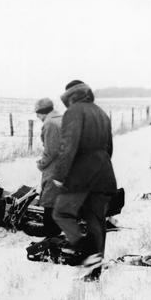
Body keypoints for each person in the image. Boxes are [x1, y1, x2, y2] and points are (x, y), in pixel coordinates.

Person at [52, 80, 117, 280]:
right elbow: (109, 149)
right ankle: (94, 270)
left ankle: (85, 249)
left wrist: (60, 175)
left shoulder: (74, 112)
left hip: (81, 174)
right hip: (104, 173)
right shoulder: (101, 113)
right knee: (96, 221)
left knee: (61, 212)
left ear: (70, 96)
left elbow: (68, 146)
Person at [34, 97, 63, 236]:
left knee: (49, 202)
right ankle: (57, 231)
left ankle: (51, 236)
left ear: (42, 112)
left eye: (37, 113)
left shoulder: (50, 123)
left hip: (55, 167)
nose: (37, 117)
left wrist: (41, 164)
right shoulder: (61, 118)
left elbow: (51, 151)